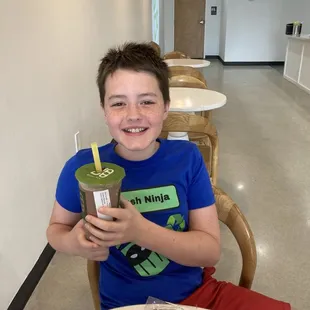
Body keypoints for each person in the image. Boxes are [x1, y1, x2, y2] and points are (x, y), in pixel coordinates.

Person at [47, 42, 291, 310]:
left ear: (165, 107)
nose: (133, 115)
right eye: (118, 103)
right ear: (104, 111)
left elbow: (211, 251)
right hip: (125, 303)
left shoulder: (187, 158)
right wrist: (74, 243)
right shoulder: (83, 168)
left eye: (147, 102)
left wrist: (140, 231)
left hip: (198, 295)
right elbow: (55, 231)